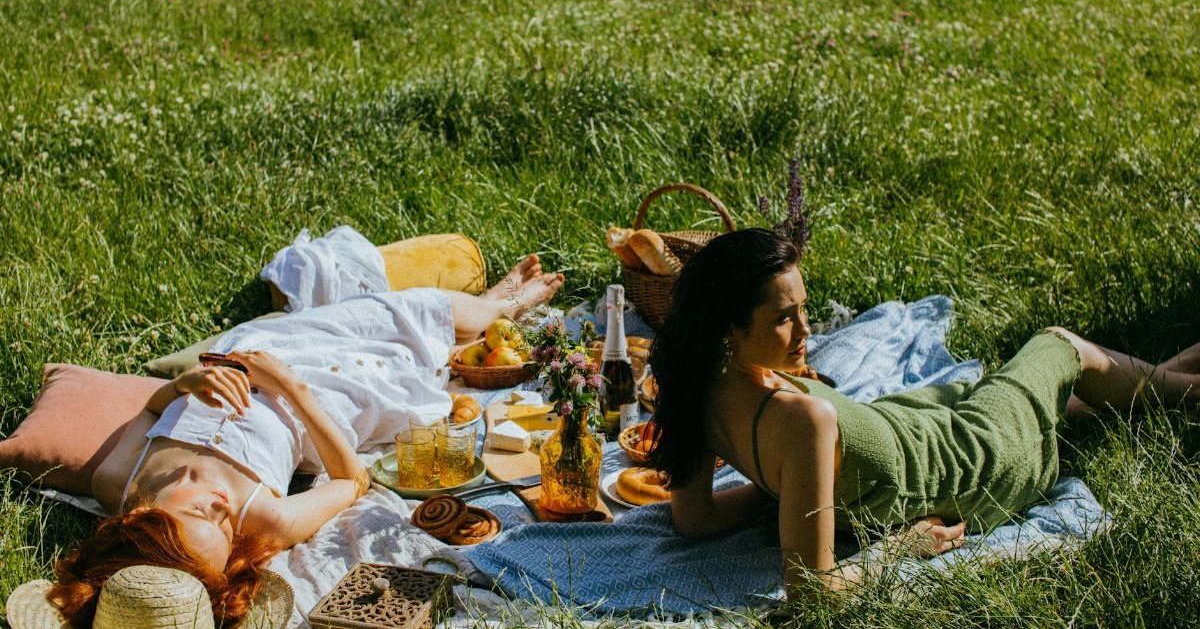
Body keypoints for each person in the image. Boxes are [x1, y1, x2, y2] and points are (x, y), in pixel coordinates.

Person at [646, 228, 1197, 599]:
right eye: (784, 318)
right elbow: (813, 594)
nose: (808, 331)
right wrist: (900, 550)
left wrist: (790, 495)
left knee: (1070, 400)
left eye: (805, 309)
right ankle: (1188, 392)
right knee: (1061, 346)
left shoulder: (696, 382)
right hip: (975, 462)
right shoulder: (800, 422)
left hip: (924, 425)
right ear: (728, 329)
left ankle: (1177, 379)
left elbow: (697, 519)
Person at [48, 255, 564, 626]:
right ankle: (504, 307)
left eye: (200, 512)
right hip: (321, 395)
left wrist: (183, 386)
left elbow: (150, 408)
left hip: (253, 352)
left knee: (403, 308)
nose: (221, 504)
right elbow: (352, 479)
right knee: (417, 352)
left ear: (139, 519)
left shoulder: (117, 480)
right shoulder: (265, 518)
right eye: (225, 528)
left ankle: (487, 305)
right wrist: (292, 388)